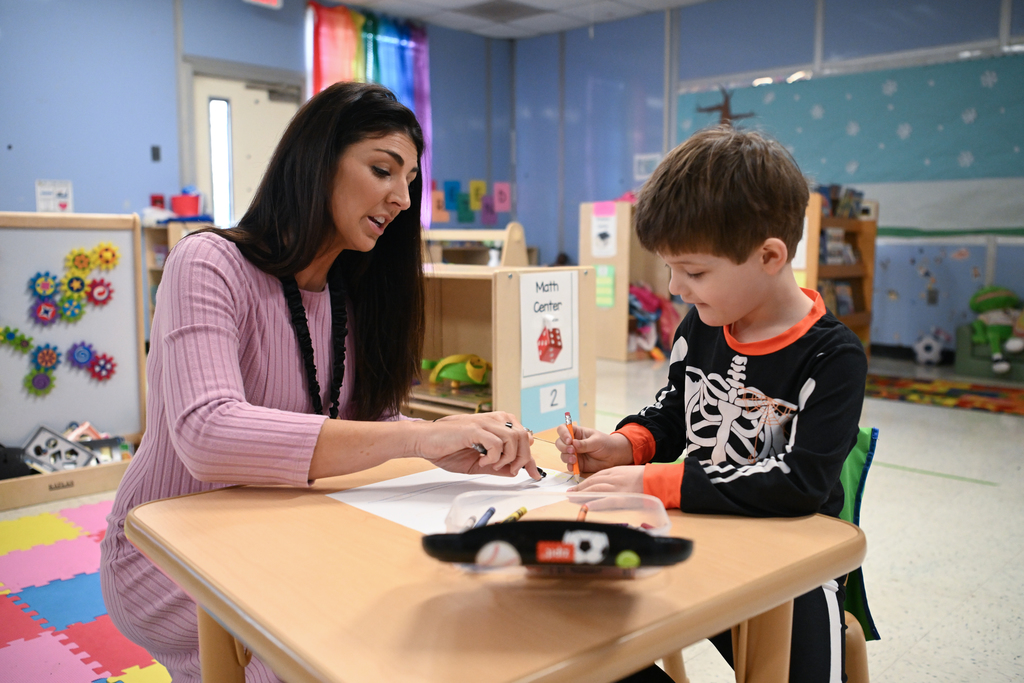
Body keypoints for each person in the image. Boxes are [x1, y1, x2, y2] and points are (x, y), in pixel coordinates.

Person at [100, 82, 538, 683]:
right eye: (383, 169)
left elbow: (372, 426)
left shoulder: (346, 293)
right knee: (359, 642)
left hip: (278, 529)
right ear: (316, 161)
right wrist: (416, 442)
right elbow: (206, 433)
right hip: (168, 550)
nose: (401, 198)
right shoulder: (206, 263)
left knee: (444, 605)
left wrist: (454, 440)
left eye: (409, 180)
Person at [556, 125, 868, 683]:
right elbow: (675, 412)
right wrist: (627, 446)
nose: (676, 287)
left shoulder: (833, 357)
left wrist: (655, 481)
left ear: (770, 255)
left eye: (694, 271)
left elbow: (801, 484)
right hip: (689, 533)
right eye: (671, 268)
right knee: (580, 630)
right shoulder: (703, 320)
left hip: (787, 559)